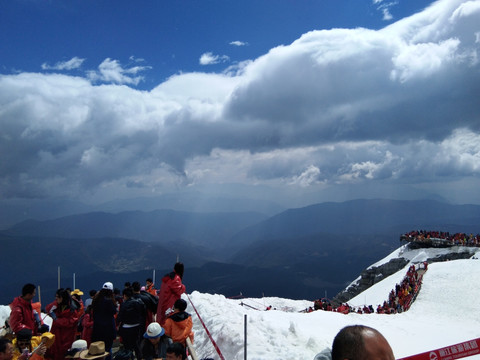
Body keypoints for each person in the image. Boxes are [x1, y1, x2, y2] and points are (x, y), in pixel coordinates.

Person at [45, 289, 79, 360]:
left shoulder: (72, 309)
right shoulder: (58, 305)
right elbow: (47, 308)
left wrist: (56, 319)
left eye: (58, 297)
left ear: (63, 298)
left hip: (66, 337)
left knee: (64, 355)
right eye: (56, 297)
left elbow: (70, 322)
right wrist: (53, 305)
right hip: (57, 335)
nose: (56, 298)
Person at [116, 288, 145, 360]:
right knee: (136, 344)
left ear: (125, 295)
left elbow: (120, 316)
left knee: (127, 347)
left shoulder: (124, 304)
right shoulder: (139, 302)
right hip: (137, 326)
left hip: (126, 328)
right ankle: (139, 357)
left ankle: (129, 357)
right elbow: (143, 312)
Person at [91, 283, 117, 355]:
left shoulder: (96, 300)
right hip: (108, 329)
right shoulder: (109, 301)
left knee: (98, 350)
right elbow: (113, 311)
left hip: (97, 329)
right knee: (107, 349)